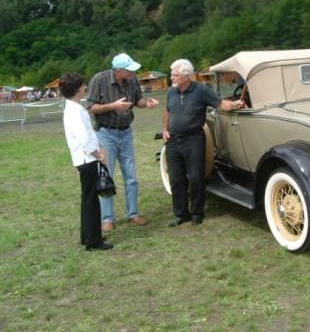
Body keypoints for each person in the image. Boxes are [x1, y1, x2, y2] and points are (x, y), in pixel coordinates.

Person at [162, 59, 245, 227]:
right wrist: (165, 129)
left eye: (175, 75)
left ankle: (197, 213)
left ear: (186, 76)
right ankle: (181, 215)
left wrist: (236, 104)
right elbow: (167, 111)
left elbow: (221, 104)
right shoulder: (171, 92)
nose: (172, 77)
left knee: (196, 177)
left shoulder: (201, 90)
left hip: (193, 139)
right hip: (173, 141)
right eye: (172, 74)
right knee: (176, 179)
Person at [87, 53, 159, 232]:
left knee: (131, 176)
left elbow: (138, 101)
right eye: (129, 70)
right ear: (118, 71)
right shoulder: (99, 80)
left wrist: (147, 103)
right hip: (106, 133)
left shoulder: (132, 81)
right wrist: (113, 106)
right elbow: (91, 108)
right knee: (106, 176)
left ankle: (133, 214)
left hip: (126, 132)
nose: (133, 73)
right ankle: (108, 218)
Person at [60, 73, 113, 251]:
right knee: (90, 199)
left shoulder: (74, 107)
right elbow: (83, 137)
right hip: (86, 158)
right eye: (83, 85)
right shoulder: (74, 110)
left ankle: (88, 236)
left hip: (85, 157)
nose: (85, 88)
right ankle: (93, 241)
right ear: (76, 89)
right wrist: (98, 153)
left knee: (88, 198)